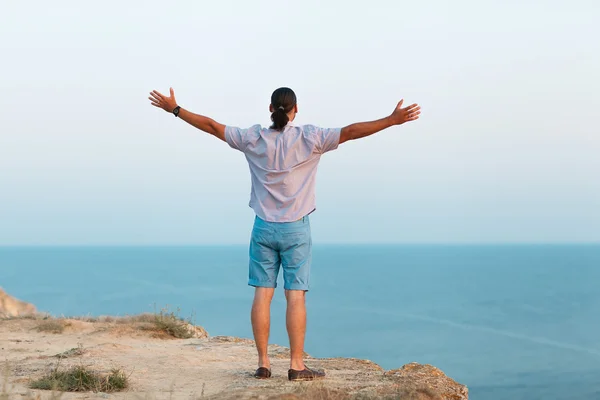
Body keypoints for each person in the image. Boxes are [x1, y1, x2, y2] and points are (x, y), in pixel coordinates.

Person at [148, 87, 421, 381]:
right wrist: (391, 120)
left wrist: (175, 109)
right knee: (295, 297)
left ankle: (264, 364)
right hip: (296, 229)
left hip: (263, 226)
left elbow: (213, 127)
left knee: (262, 295)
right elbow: (352, 131)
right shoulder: (311, 138)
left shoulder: (253, 138)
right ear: (296, 109)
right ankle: (296, 365)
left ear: (270, 108)